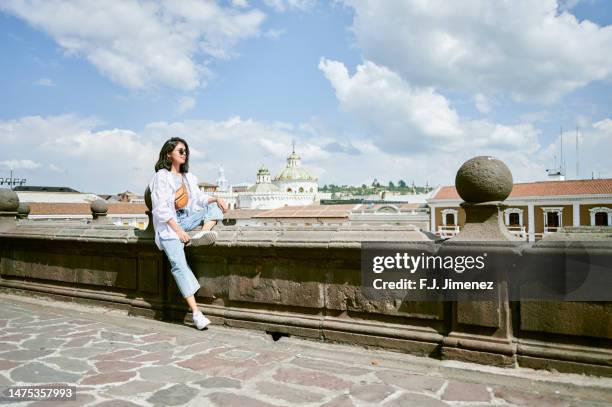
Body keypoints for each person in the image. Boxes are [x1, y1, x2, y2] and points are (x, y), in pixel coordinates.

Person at [149, 137, 229, 330]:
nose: (184, 154)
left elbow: (199, 198)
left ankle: (203, 233)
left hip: (187, 218)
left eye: (185, 151)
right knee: (179, 265)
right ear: (169, 154)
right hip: (170, 225)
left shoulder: (188, 177)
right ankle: (196, 313)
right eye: (180, 151)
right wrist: (179, 232)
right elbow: (160, 209)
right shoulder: (162, 176)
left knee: (215, 208)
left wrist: (216, 199)